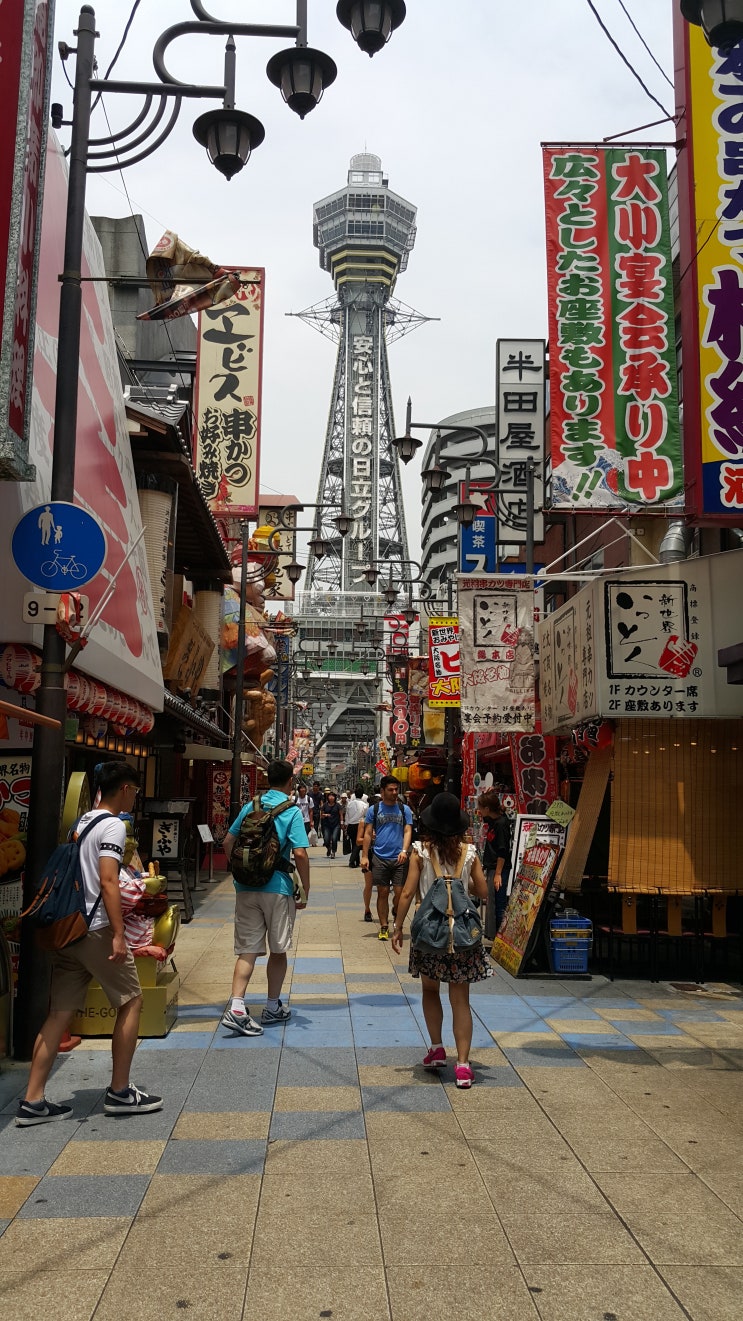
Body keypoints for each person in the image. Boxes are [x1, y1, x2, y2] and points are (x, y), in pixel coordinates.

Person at [16, 762, 162, 1126]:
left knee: (59, 1013)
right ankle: (120, 1092)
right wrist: (118, 934)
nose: (135, 796)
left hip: (68, 929)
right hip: (94, 929)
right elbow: (108, 881)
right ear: (124, 789)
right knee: (131, 1001)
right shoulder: (113, 825)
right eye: (134, 790)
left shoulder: (82, 822)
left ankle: (33, 1101)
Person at [391, 792, 488, 1089]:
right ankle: (463, 1066)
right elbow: (483, 892)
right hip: (462, 936)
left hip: (430, 933)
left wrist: (397, 927)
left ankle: (436, 1050)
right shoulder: (469, 853)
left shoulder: (420, 851)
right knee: (461, 999)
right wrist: (462, 883)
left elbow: (407, 893)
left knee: (430, 990)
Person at [221, 759, 310, 1035]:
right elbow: (300, 853)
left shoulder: (252, 806)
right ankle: (272, 1006)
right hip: (278, 887)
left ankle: (237, 1007)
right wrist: (305, 888)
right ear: (290, 781)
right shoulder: (291, 811)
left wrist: (241, 872)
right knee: (278, 949)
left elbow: (228, 841)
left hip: (245, 887)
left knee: (247, 950)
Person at [360, 775, 413, 940]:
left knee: (400, 893)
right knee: (382, 892)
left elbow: (408, 830)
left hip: (399, 858)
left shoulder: (404, 809)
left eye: (396, 789)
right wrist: (364, 856)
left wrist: (404, 850)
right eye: (390, 790)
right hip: (380, 857)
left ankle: (397, 911)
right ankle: (384, 926)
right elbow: (367, 833)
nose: (394, 792)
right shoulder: (374, 810)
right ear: (382, 791)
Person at [478, 789, 512, 939]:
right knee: (491, 901)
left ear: (487, 808)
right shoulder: (493, 819)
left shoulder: (501, 824)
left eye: (481, 807)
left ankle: (500, 937)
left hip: (500, 868)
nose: (479, 810)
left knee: (499, 903)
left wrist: (498, 873)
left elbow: (502, 851)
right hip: (492, 866)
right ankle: (493, 934)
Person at [343, 785, 366, 871]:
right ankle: (352, 860)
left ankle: (356, 861)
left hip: (351, 825)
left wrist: (346, 824)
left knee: (354, 843)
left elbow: (347, 815)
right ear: (362, 795)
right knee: (358, 844)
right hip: (360, 825)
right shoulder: (365, 805)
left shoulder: (350, 804)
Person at [320, 791, 342, 857]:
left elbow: (341, 815)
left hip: (336, 825)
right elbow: (321, 815)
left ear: (335, 797)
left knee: (334, 838)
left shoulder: (338, 805)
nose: (331, 797)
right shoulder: (325, 805)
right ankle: (328, 848)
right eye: (330, 796)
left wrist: (342, 823)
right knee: (326, 839)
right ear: (328, 797)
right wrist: (325, 815)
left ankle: (333, 852)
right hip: (327, 825)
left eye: (333, 796)